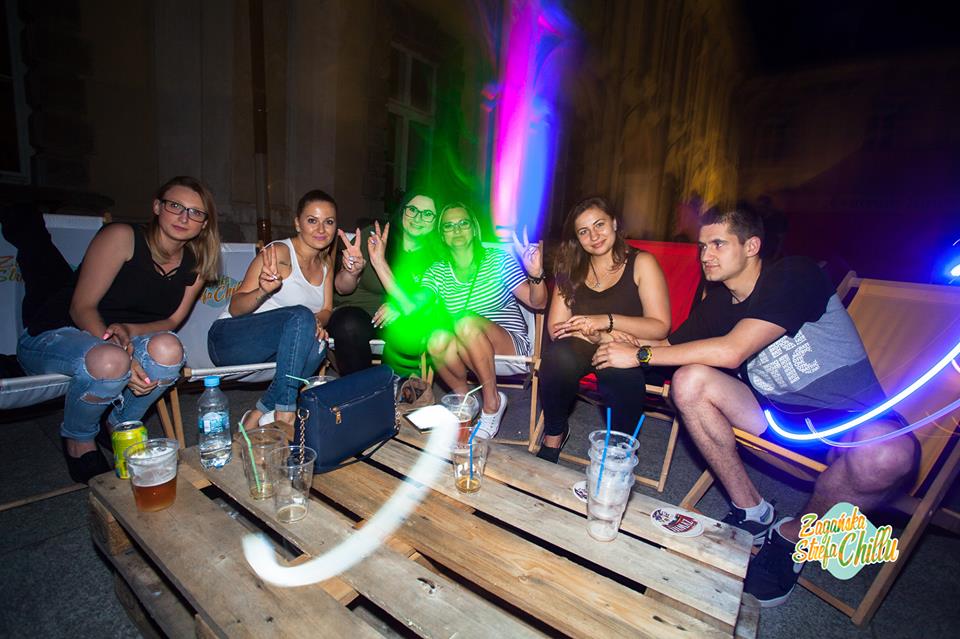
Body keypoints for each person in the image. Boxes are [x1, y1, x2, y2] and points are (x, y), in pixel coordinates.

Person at [591, 207, 917, 607]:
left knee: (887, 455)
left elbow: (731, 351)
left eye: (718, 244)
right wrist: (616, 339)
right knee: (689, 381)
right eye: (702, 247)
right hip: (778, 418)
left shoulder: (794, 275)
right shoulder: (718, 304)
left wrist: (639, 355)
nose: (706, 255)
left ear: (752, 246)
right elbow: (670, 349)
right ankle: (753, 512)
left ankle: (791, 536)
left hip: (852, 423)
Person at [6, 176, 221, 483]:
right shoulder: (122, 237)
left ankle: (119, 424)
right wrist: (123, 352)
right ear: (157, 207)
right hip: (58, 334)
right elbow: (82, 307)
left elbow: (172, 321)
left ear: (204, 223)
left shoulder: (197, 263)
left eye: (195, 212)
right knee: (112, 360)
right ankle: (79, 438)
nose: (184, 217)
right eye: (175, 206)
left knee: (170, 349)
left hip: (120, 339)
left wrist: (128, 329)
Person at [536, 197, 670, 463]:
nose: (594, 236)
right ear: (577, 238)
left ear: (615, 223)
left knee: (618, 367)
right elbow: (557, 329)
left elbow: (659, 326)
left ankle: (618, 454)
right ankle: (554, 434)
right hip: (585, 343)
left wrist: (606, 322)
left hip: (634, 349)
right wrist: (596, 335)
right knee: (558, 356)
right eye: (583, 231)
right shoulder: (570, 267)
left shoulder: (642, 263)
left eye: (600, 225)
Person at [208, 190, 336, 432]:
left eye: (328, 222)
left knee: (319, 344)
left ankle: (258, 412)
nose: (321, 229)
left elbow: (327, 310)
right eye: (312, 220)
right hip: (229, 340)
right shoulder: (278, 253)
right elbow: (235, 307)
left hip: (278, 348)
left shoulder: (325, 263)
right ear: (297, 223)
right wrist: (263, 291)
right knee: (300, 316)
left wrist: (315, 322)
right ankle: (285, 411)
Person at [415, 203, 547, 438]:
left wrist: (535, 275)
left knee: (465, 322)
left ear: (474, 228)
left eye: (463, 223)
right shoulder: (437, 271)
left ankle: (492, 402)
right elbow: (420, 300)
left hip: (509, 344)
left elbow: (537, 303)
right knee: (436, 340)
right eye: (449, 226)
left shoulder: (498, 260)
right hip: (466, 345)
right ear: (442, 235)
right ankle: (465, 401)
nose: (457, 230)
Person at [326, 191, 441, 376]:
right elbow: (341, 288)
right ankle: (361, 389)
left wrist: (399, 305)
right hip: (356, 314)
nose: (418, 218)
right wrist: (350, 271)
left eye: (427, 214)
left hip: (400, 318)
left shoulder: (437, 258)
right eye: (412, 210)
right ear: (402, 211)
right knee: (349, 324)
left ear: (436, 222)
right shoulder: (375, 236)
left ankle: (391, 387)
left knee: (409, 328)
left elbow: (425, 302)